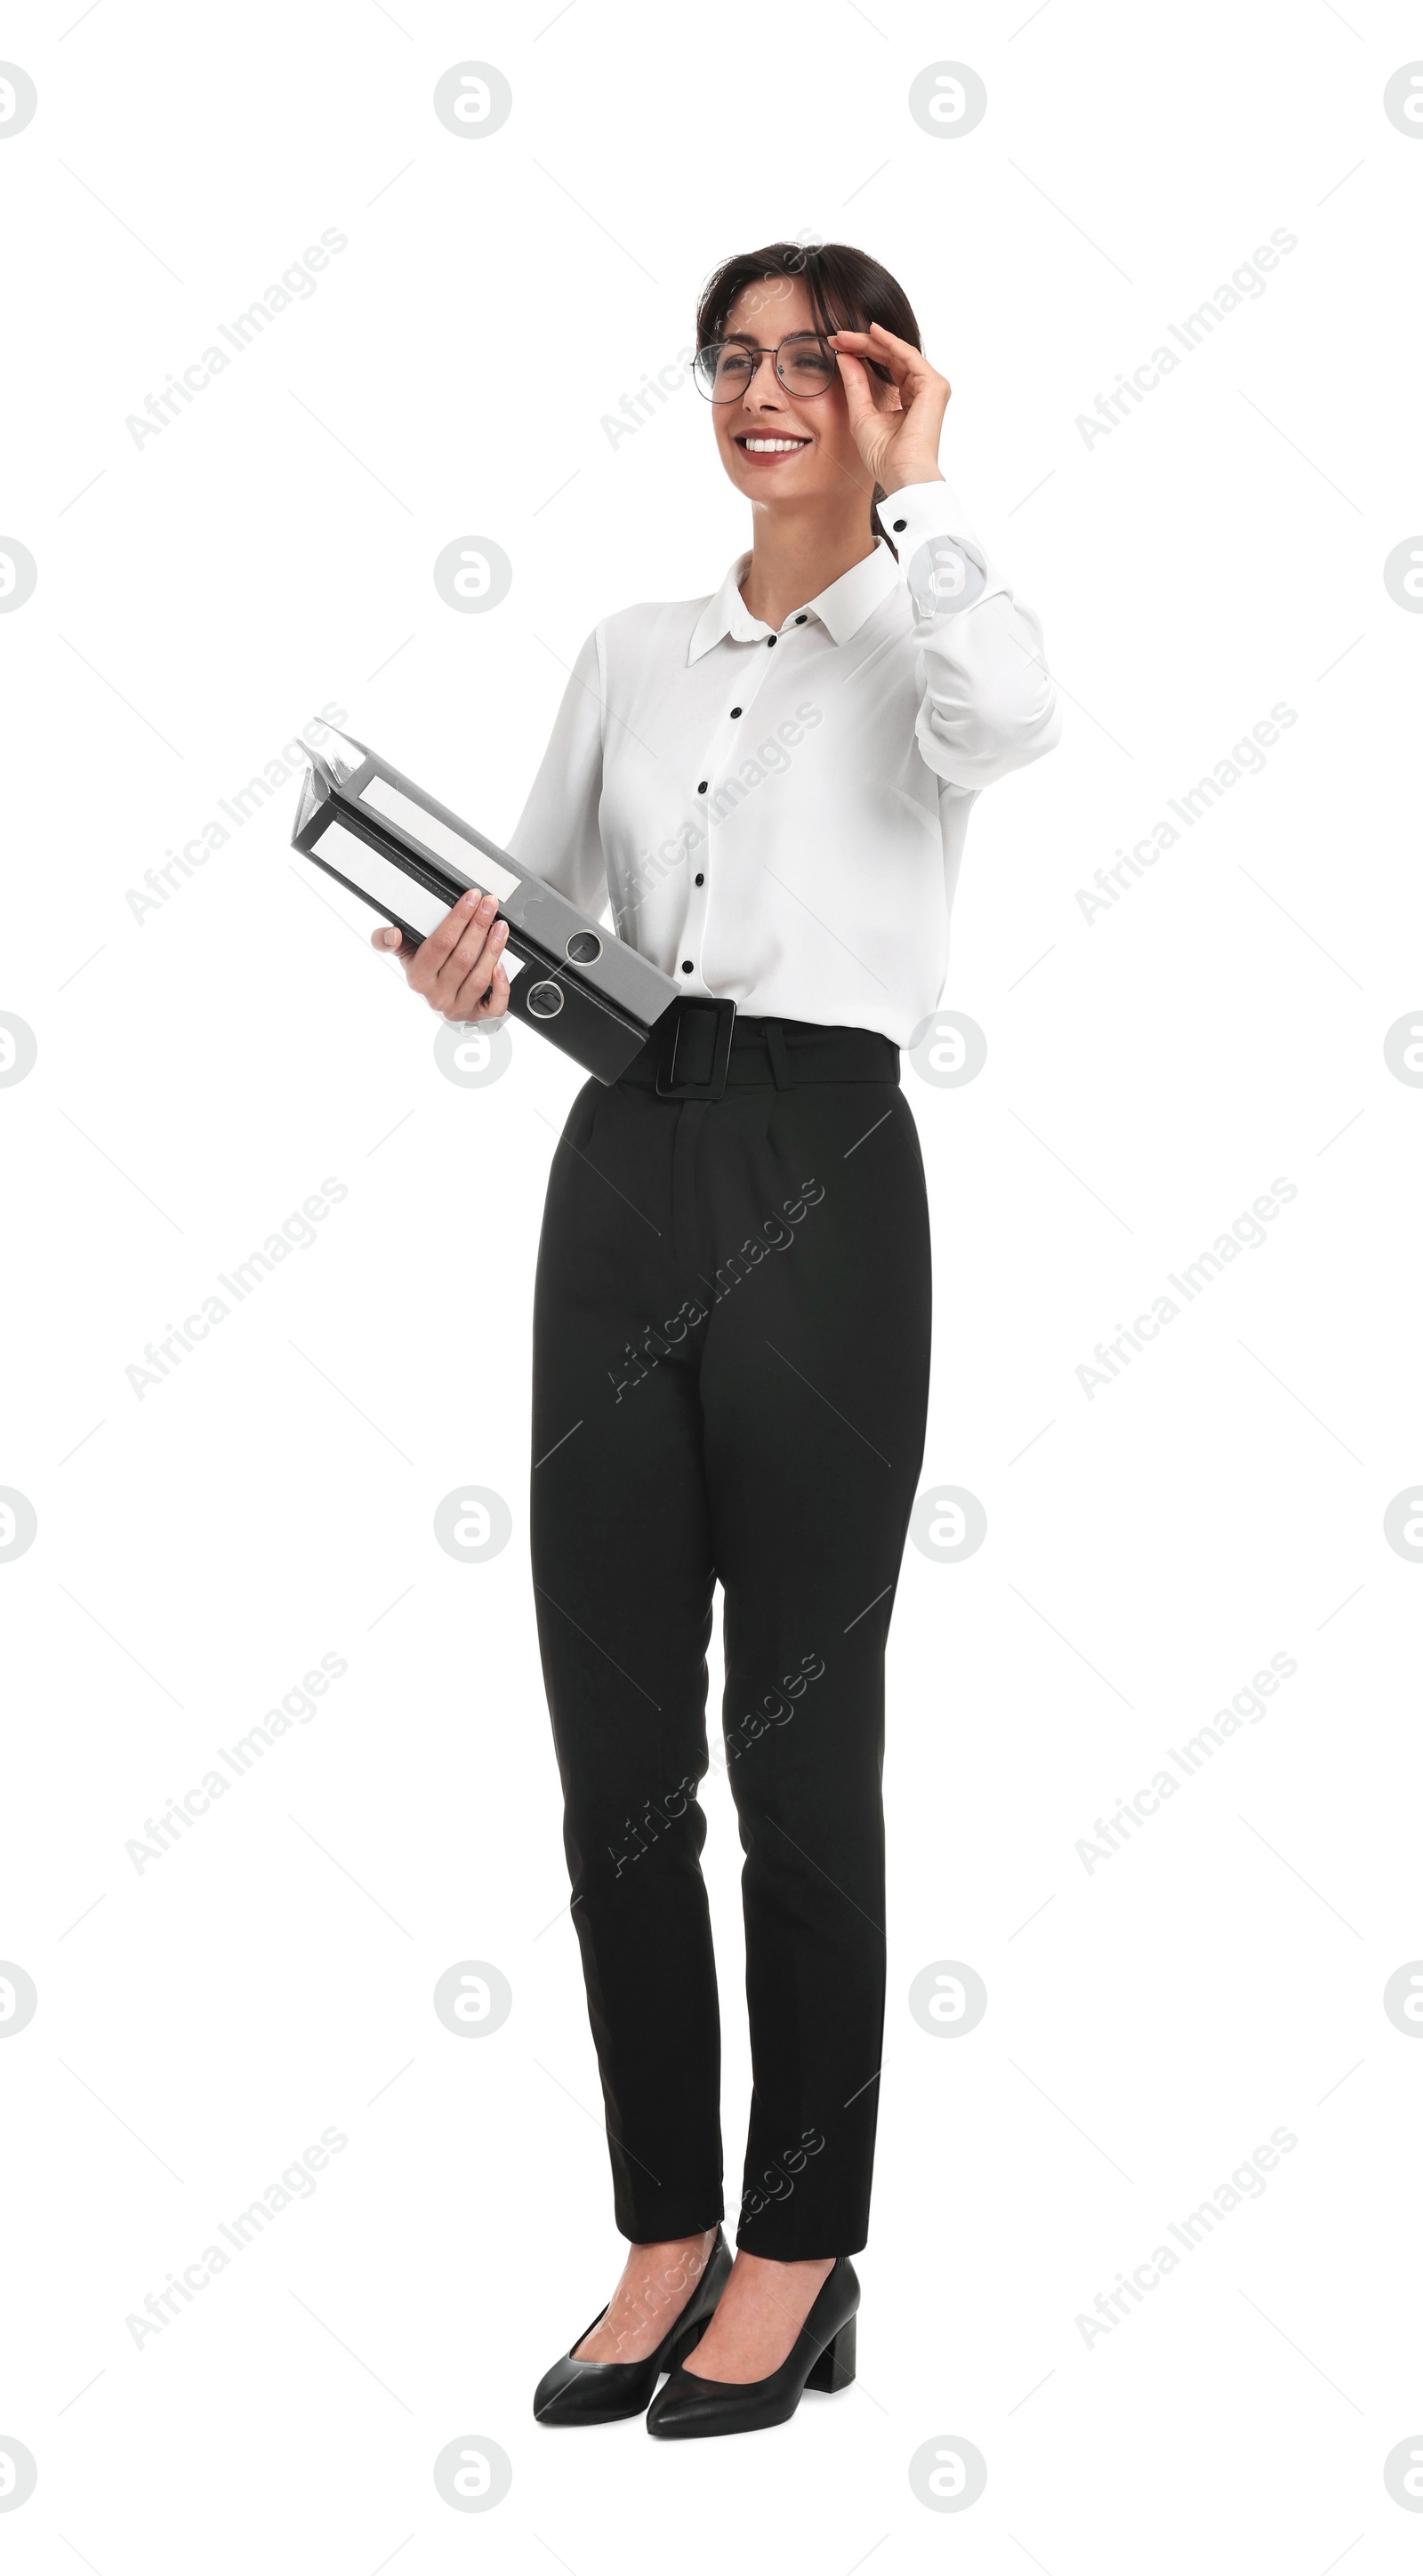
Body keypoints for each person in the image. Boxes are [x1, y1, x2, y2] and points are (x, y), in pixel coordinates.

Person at [373, 239, 1060, 2439]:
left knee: (798, 1748)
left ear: (881, 389)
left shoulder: (927, 636)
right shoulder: (629, 649)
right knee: (609, 1749)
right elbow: (556, 911)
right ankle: (660, 2228)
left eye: (813, 364)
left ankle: (800, 2245)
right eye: (733, 363)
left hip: (819, 1176)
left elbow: (1017, 725)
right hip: (621, 1157)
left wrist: (917, 502)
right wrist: (471, 969)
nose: (764, 394)